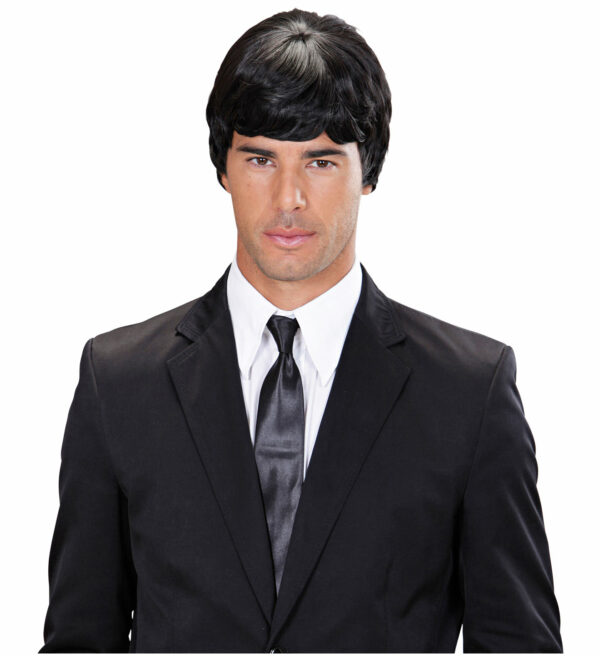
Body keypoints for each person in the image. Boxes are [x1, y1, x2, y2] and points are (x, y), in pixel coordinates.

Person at [39, 8, 563, 653]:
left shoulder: (469, 392)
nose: (288, 198)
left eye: (320, 161)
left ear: (368, 171)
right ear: (224, 168)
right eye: (261, 158)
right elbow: (79, 639)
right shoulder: (118, 383)